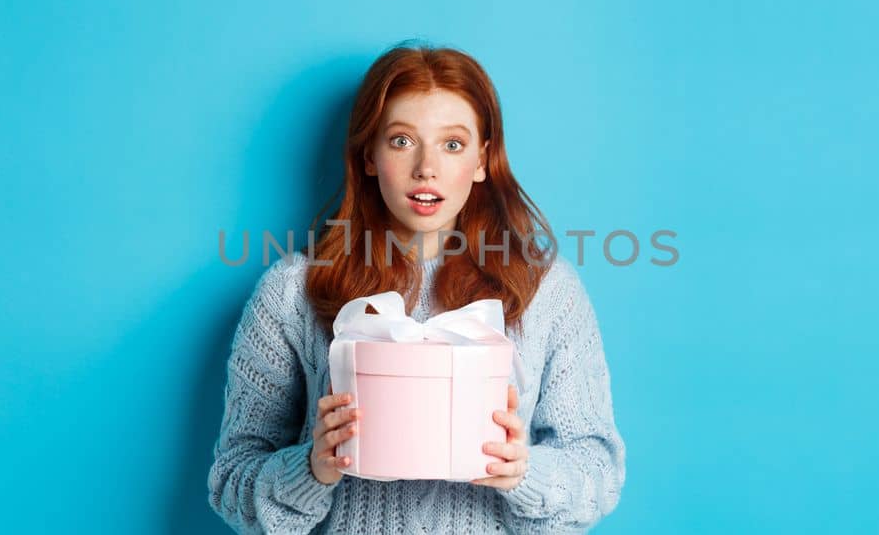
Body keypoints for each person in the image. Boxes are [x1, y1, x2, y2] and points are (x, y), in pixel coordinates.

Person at [208, 42, 625, 533]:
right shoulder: (292, 291)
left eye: (452, 144)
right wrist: (313, 467)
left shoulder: (546, 291)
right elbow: (231, 483)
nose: (426, 167)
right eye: (402, 140)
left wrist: (524, 472)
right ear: (368, 155)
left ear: (482, 160)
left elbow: (599, 471)